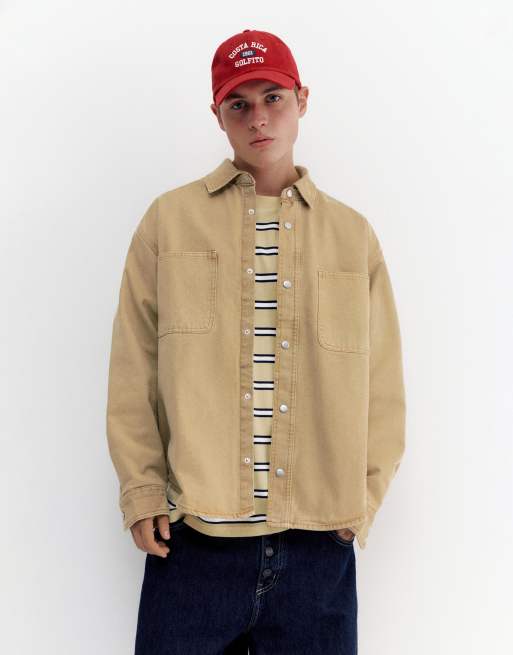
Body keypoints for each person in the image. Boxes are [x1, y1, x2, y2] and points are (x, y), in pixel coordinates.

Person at [106, 28, 406, 654]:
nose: (259, 118)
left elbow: (383, 383)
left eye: (273, 98)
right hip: (194, 545)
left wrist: (363, 499)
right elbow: (135, 367)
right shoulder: (169, 222)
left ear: (302, 100)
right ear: (217, 114)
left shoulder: (352, 237)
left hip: (317, 548)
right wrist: (141, 489)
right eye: (238, 104)